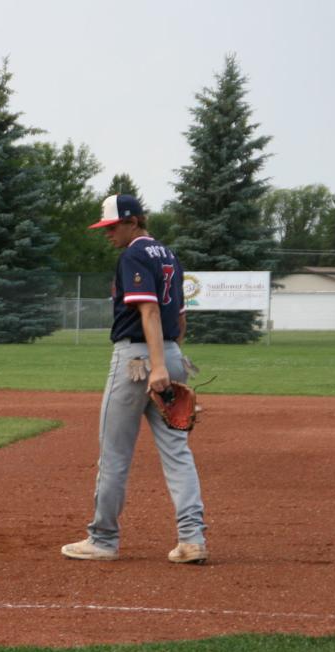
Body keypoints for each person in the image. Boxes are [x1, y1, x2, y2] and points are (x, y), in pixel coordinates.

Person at [62, 194, 208, 564]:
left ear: (132, 222)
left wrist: (157, 367)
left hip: (137, 361)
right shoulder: (168, 254)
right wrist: (171, 361)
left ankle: (103, 539)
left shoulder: (133, 255)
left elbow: (149, 310)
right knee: (178, 453)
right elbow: (181, 316)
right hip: (173, 353)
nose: (107, 234)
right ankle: (192, 540)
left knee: (114, 455)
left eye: (112, 227)